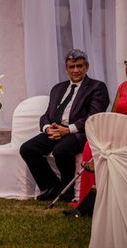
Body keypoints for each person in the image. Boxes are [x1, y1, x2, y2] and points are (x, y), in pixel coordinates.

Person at [20, 49, 110, 202]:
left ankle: (66, 191)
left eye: (79, 66)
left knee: (61, 150)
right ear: (66, 68)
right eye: (72, 67)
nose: (76, 70)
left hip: (80, 132)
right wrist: (48, 128)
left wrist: (68, 130)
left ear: (86, 67)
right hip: (56, 130)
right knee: (28, 149)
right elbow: (47, 115)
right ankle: (54, 187)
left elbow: (94, 117)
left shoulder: (97, 87)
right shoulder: (58, 88)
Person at [62, 58, 127, 218]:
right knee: (90, 147)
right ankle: (89, 198)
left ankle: (91, 203)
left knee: (109, 152)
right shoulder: (123, 87)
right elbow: (112, 114)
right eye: (126, 65)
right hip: (120, 130)